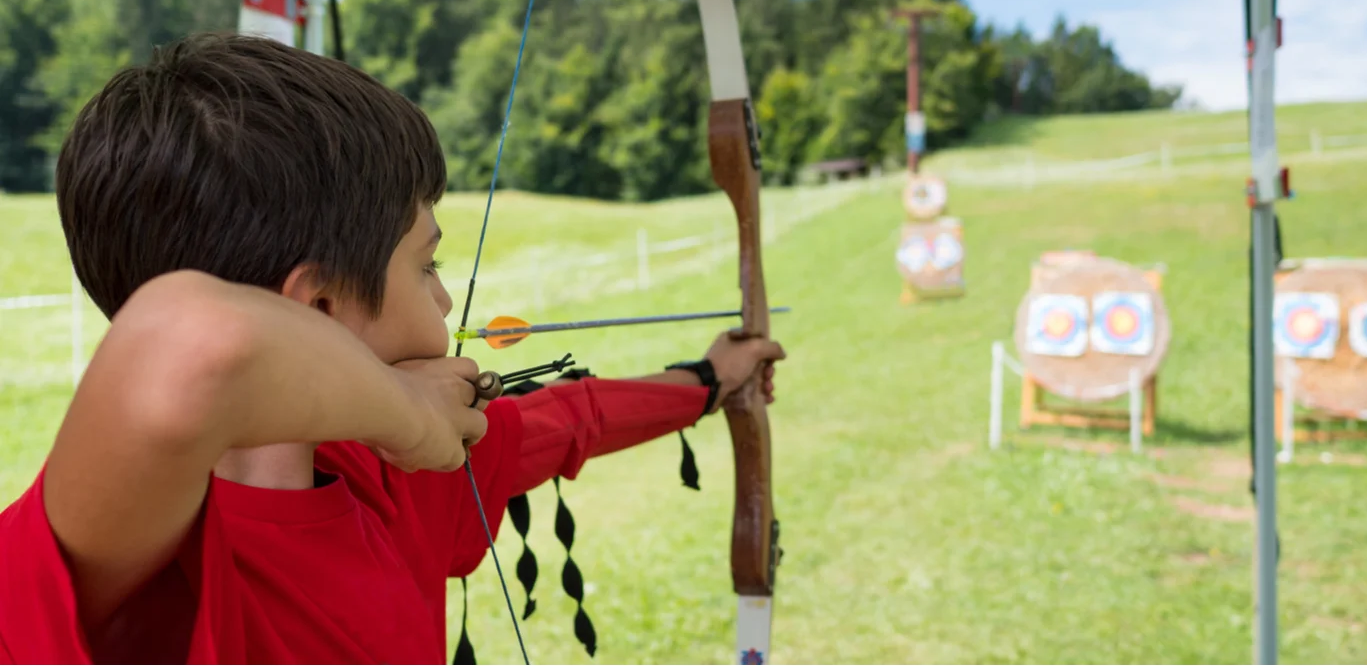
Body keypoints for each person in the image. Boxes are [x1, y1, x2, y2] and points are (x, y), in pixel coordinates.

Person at [0, 33, 785, 664]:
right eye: (426, 264)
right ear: (319, 305)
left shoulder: (394, 472)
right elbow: (193, 343)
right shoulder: (115, 563)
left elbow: (567, 419)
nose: (444, 297)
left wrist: (710, 378)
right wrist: (407, 412)